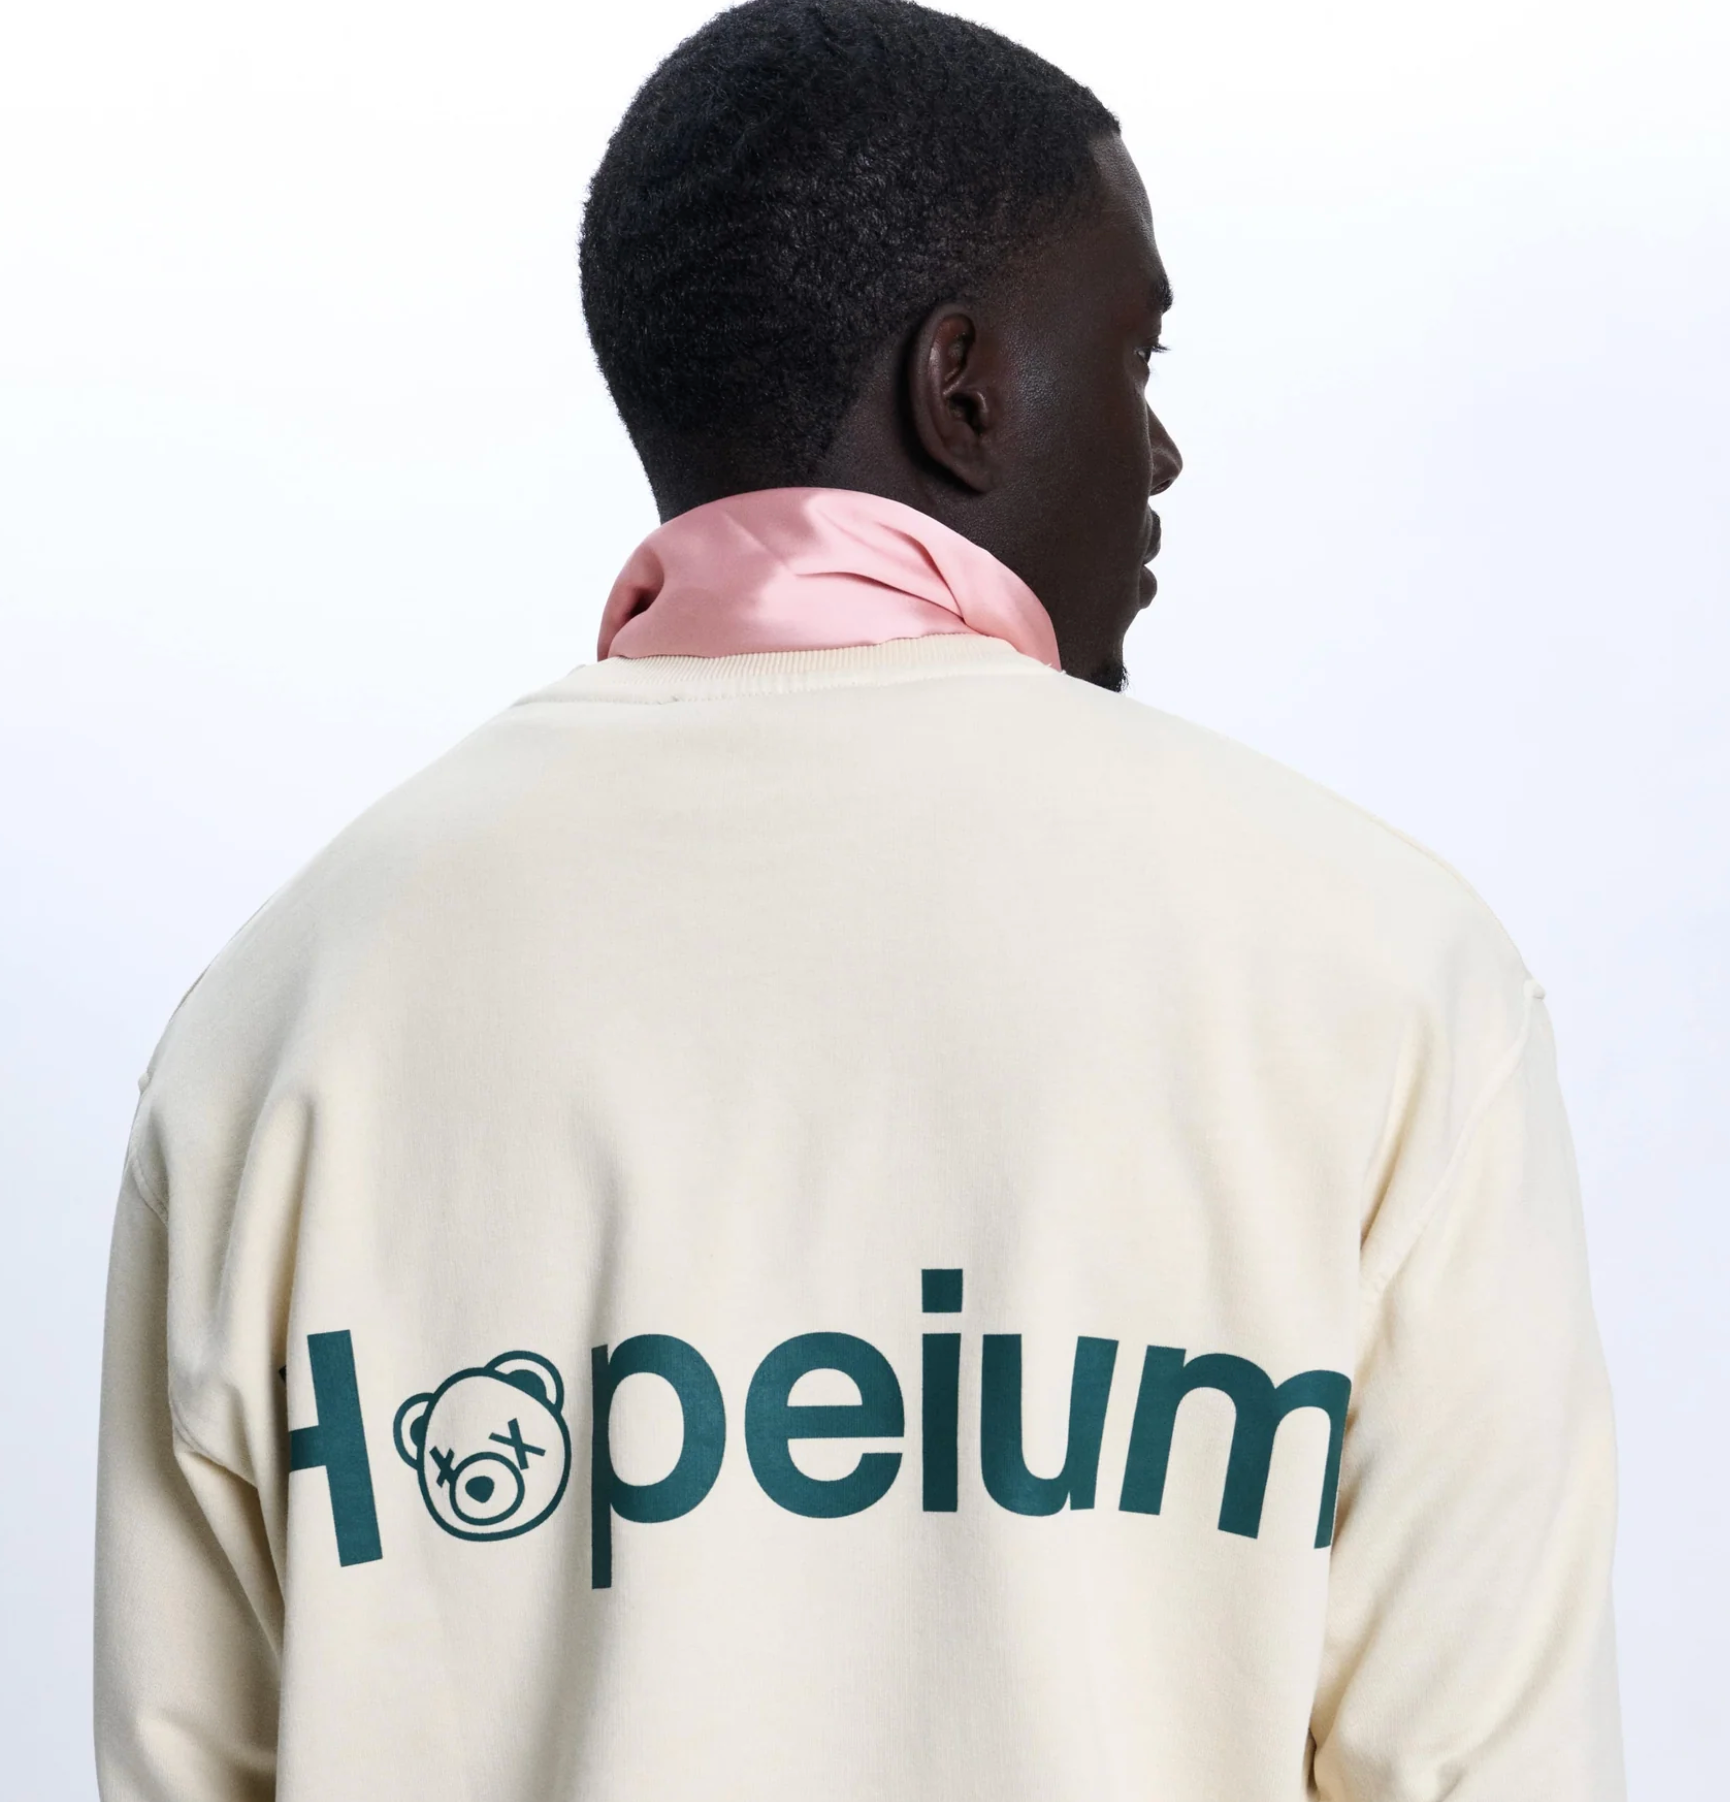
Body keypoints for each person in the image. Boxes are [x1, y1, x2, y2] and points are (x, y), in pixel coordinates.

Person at [93, 2, 1623, 1797]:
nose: (1158, 452)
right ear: (959, 387)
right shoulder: (1373, 975)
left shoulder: (284, 1018)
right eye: (1134, 356)